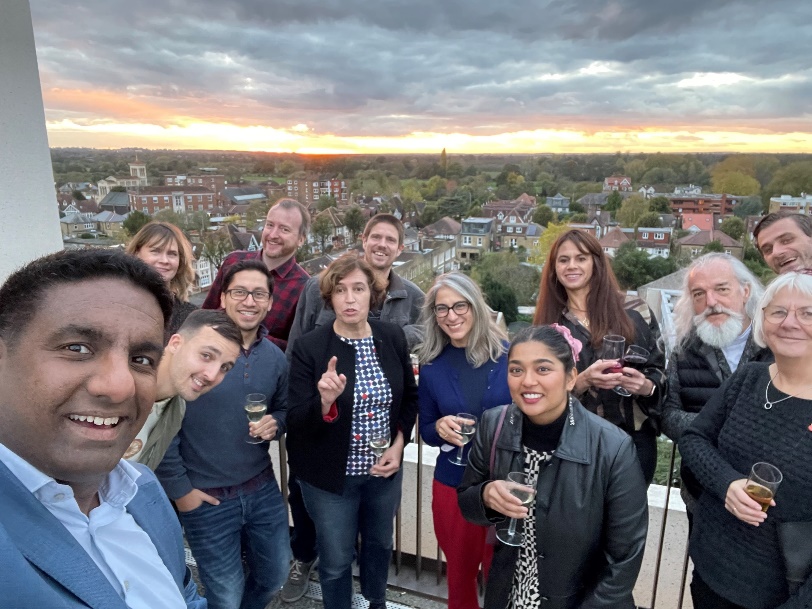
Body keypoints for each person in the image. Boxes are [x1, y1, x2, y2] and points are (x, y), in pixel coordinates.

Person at [0, 249, 205, 608]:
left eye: (141, 359)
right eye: (77, 348)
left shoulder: (142, 489)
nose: (120, 386)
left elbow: (185, 595)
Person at [282, 213, 424, 602]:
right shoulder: (313, 347)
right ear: (329, 297)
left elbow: (409, 400)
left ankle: (376, 602)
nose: (350, 298)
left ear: (372, 294)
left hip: (381, 473)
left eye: (358, 289)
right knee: (337, 559)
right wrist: (324, 402)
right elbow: (295, 420)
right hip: (331, 479)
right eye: (341, 290)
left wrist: (398, 446)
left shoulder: (391, 336)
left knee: (378, 548)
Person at [458, 325, 648, 609]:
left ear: (571, 377)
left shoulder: (612, 448)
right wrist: (485, 496)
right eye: (516, 370)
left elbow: (624, 560)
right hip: (509, 595)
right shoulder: (493, 424)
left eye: (543, 369)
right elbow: (466, 502)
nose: (527, 381)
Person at [157, 259, 291, 609]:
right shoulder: (196, 352)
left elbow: (284, 408)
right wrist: (182, 492)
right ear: (224, 298)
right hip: (206, 498)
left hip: (261, 489)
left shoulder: (276, 358)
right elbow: (165, 421)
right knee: (225, 596)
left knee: (275, 574)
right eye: (240, 292)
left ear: (269, 303)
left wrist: (277, 423)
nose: (249, 301)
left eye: (258, 293)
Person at [680, 271, 812, 609]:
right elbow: (694, 438)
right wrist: (727, 484)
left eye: (807, 313)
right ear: (763, 319)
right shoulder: (749, 379)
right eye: (778, 311)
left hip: (783, 594)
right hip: (713, 569)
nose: (790, 323)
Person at [532, 229, 666, 483]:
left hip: (634, 441)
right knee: (582, 520)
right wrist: (582, 381)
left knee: (627, 521)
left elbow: (660, 370)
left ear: (596, 262)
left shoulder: (635, 310)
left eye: (581, 258)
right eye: (564, 260)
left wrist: (647, 386)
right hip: (576, 441)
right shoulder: (548, 326)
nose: (572, 265)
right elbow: (540, 391)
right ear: (554, 269)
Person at [416, 272, 511, 609]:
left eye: (460, 306)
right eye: (442, 309)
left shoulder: (509, 357)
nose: (451, 316)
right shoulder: (431, 366)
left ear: (476, 306)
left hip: (504, 486)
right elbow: (426, 430)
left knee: (504, 579)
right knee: (459, 578)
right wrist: (439, 426)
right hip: (453, 488)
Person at [662, 253, 771, 512]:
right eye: (698, 294)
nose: (711, 302)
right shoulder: (684, 349)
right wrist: (725, 425)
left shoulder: (775, 344)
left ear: (745, 291)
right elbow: (668, 415)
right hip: (702, 493)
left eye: (721, 289)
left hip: (764, 495)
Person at [125, 309, 242, 470]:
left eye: (225, 367)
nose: (212, 375)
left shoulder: (177, 409)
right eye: (206, 355)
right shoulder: (123, 386)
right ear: (175, 344)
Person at [202, 198, 311, 350]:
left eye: (284, 229)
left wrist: (250, 336)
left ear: (301, 239)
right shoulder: (232, 262)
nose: (273, 234)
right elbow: (205, 315)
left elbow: (295, 348)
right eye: (270, 225)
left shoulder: (305, 288)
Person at [127, 221, 198, 339]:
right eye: (155, 251)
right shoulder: (119, 306)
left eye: (172, 254)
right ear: (136, 253)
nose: (164, 260)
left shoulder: (191, 317)